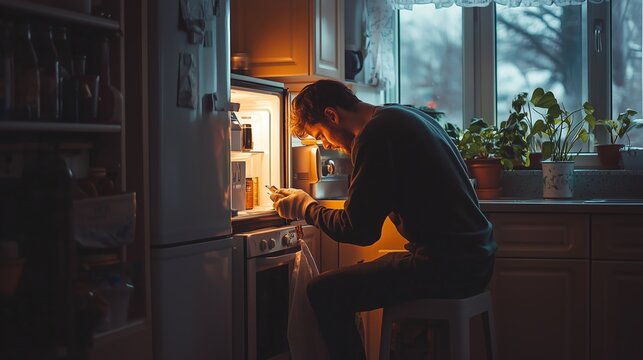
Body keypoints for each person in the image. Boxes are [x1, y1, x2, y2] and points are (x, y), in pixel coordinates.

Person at [270, 79, 496, 360]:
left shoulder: (374, 135)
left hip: (448, 266)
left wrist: (306, 208)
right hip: (475, 257)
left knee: (324, 291)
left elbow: (359, 230)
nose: (326, 144)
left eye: (320, 135)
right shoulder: (399, 115)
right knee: (364, 270)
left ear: (332, 115)